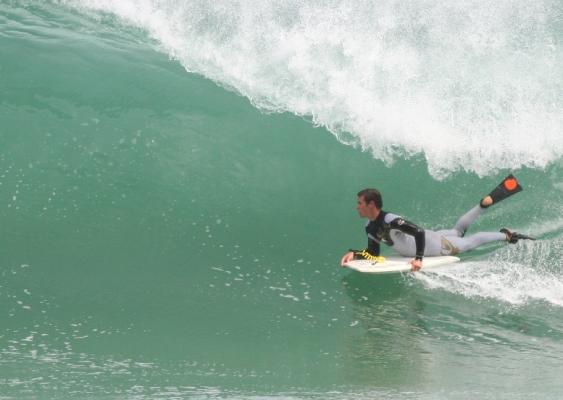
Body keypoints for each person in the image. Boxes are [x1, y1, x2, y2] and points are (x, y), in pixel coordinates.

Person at [340, 175, 535, 271]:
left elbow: (417, 232)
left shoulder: (389, 220)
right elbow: (373, 253)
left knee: (469, 242)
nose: (357, 207)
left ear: (371, 204)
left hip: (435, 246)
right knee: (457, 231)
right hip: (434, 238)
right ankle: (482, 206)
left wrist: (418, 259)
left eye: (359, 203)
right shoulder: (370, 226)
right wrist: (356, 254)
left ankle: (507, 235)